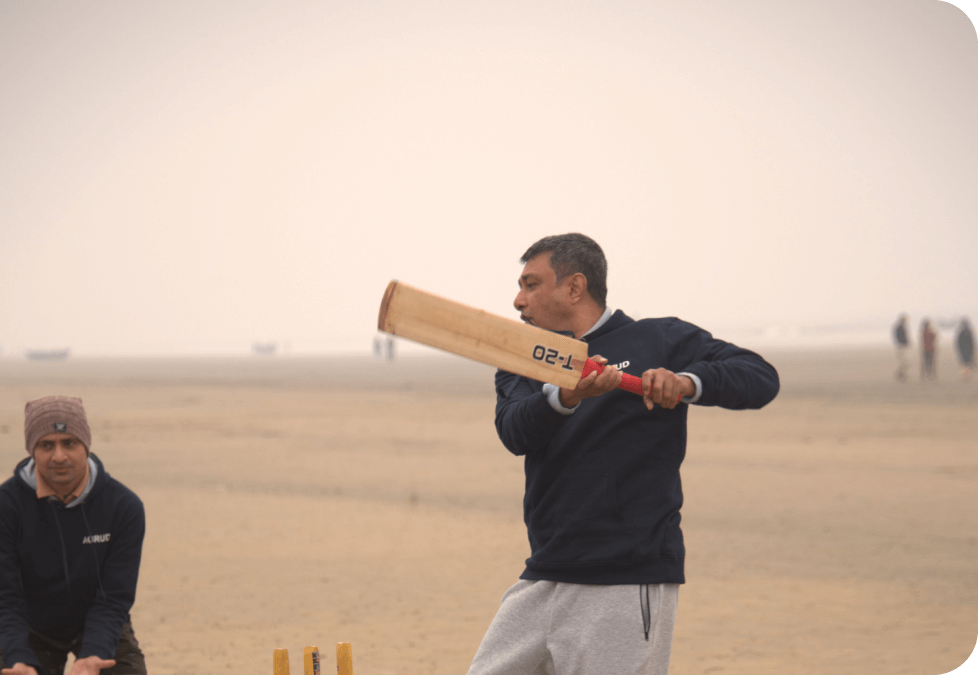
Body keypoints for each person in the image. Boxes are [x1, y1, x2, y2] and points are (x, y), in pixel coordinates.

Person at [466, 234, 780, 675]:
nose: (518, 300)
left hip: (626, 578)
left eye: (531, 285)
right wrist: (564, 397)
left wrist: (686, 382)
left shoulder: (658, 338)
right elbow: (515, 431)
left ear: (574, 288)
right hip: (544, 572)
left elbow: (760, 377)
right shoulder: (523, 358)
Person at [0, 397, 147, 675]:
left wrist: (93, 655)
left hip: (97, 618)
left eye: (69, 443)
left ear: (86, 447)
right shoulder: (6, 506)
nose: (59, 456)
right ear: (32, 449)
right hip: (28, 623)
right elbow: (6, 597)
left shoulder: (124, 506)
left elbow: (113, 598)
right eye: (46, 445)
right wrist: (18, 657)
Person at [892, 313, 910, 381]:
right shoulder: (900, 327)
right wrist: (904, 343)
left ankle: (901, 374)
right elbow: (899, 337)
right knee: (904, 362)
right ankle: (900, 374)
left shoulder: (901, 327)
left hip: (901, 346)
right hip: (901, 347)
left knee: (904, 362)